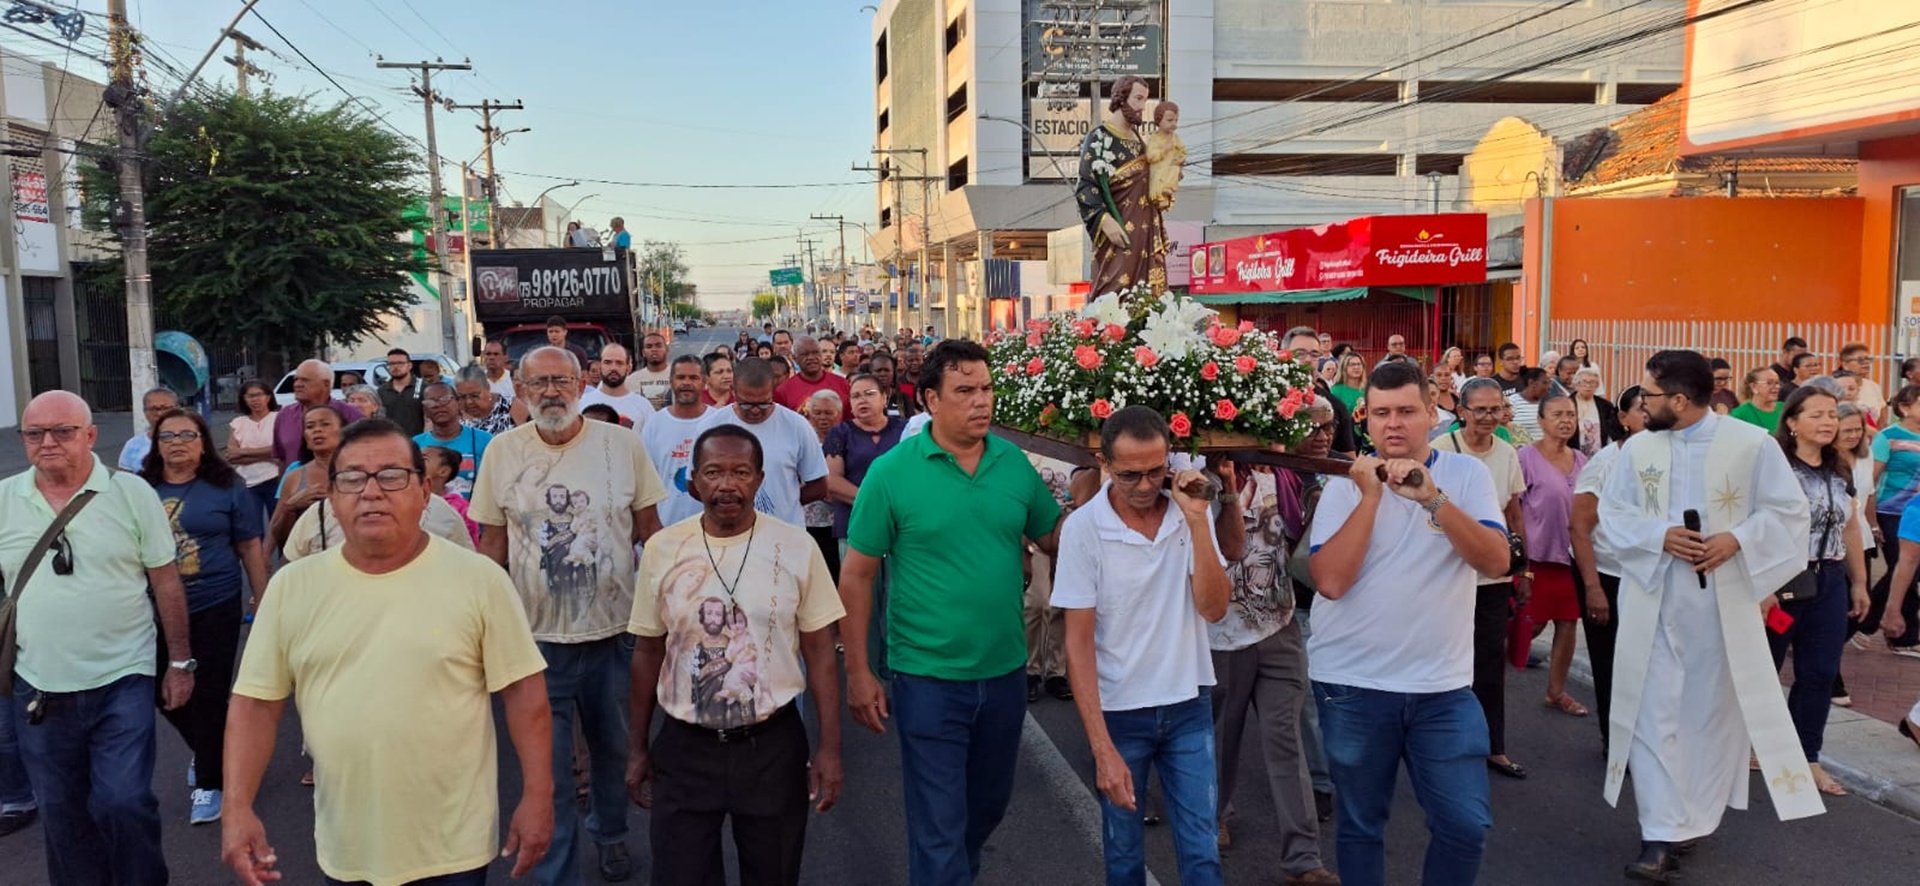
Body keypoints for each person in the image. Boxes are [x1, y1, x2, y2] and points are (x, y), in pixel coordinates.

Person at [222, 418, 554, 886]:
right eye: (353, 478)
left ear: (425, 492)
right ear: (332, 497)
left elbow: (523, 693)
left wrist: (538, 795)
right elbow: (256, 704)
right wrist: (236, 808)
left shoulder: (479, 580)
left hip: (453, 845)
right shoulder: (292, 587)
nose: (371, 492)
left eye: (392, 476)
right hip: (346, 842)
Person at [840, 339, 1066, 884]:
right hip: (928, 679)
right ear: (930, 400)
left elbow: (1055, 536)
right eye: (965, 390)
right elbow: (858, 574)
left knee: (985, 809)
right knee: (938, 825)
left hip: (1005, 672)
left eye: (986, 389)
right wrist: (859, 671)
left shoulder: (1012, 464)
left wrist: (1109, 493)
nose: (981, 401)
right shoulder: (891, 474)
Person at [1594, 349, 1824, 882]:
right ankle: (1659, 832)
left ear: (1679, 399)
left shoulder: (1751, 445)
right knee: (1653, 716)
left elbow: (1790, 512)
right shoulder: (1637, 450)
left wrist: (1736, 540)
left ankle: (1691, 819)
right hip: (1653, 599)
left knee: (1707, 716)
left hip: (1720, 607)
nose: (1642, 403)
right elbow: (1613, 514)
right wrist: (1658, 536)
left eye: (1650, 394)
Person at [1307, 362, 1510, 886]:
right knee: (1359, 824)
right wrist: (1372, 496)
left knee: (1465, 825)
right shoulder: (1344, 487)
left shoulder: (1467, 475)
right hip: (1353, 685)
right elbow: (1329, 581)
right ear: (1366, 419)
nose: (1393, 424)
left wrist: (1431, 499)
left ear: (1432, 414)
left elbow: (1495, 562)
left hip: (1441, 688)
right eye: (1381, 413)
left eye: (1406, 412)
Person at [471, 346, 668, 885]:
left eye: (561, 380)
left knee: (614, 751)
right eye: (539, 383)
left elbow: (651, 535)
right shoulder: (501, 453)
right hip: (534, 642)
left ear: (582, 383)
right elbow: (491, 548)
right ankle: (556, 871)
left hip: (616, 635)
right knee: (549, 770)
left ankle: (609, 834)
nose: (551, 392)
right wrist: (482, 630)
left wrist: (664, 619)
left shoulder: (621, 445)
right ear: (520, 389)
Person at [625, 425, 847, 885]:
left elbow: (821, 651)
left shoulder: (797, 547)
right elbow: (648, 650)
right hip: (685, 748)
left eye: (741, 472)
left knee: (774, 873)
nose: (728, 484)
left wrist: (829, 747)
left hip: (771, 747)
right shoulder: (664, 549)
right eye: (714, 472)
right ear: (693, 481)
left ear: (760, 480)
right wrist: (637, 747)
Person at [2, 391, 194, 886]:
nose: (47, 442)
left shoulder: (131, 493)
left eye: (63, 431)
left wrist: (179, 662)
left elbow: (166, 581)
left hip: (122, 677)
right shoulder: (3, 500)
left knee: (123, 802)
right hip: (37, 686)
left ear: (90, 436)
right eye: (34, 433)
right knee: (63, 815)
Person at [1053, 406, 1228, 886]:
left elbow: (1214, 609)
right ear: (1103, 463)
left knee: (1203, 853)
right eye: (1131, 474)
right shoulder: (1084, 530)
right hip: (1120, 712)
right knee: (1124, 857)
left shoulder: (1188, 512)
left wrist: (1196, 521)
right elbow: (1078, 644)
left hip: (1188, 704)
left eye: (1157, 470)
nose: (1147, 485)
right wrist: (1100, 748)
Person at [138, 407, 270, 825]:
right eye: (167, 436)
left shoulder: (226, 485)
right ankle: (215, 750)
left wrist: (262, 599)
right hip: (153, 609)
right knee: (164, 694)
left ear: (203, 442)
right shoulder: (140, 489)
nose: (177, 442)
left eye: (187, 435)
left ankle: (211, 783)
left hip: (215, 602)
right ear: (155, 444)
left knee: (210, 694)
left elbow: (249, 546)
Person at [1767, 386, 1870, 797]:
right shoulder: (1774, 467)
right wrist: (1762, 588)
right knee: (1764, 668)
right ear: (1792, 422)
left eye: (1832, 414)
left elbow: (1849, 526)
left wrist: (1859, 582)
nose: (1828, 422)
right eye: (1817, 415)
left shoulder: (1838, 468)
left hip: (1828, 581)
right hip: (1782, 582)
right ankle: (1744, 745)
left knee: (1820, 673)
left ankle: (1806, 757)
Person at [1431, 377, 1529, 780]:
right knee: (1443, 662)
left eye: (1496, 409)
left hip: (1492, 578)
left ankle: (1493, 746)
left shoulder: (1507, 453)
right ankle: (1440, 746)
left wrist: (1523, 568)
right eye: (1480, 410)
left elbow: (1514, 513)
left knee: (1489, 664)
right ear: (1462, 411)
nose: (1490, 417)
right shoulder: (1439, 452)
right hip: (1445, 576)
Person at [1570, 386, 1644, 751]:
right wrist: (1593, 587)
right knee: (1611, 664)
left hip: (1649, 578)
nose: (1651, 416)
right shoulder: (1606, 463)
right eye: (1641, 410)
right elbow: (1580, 528)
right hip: (1608, 575)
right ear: (1624, 418)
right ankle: (1616, 742)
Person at [824, 373, 909, 677]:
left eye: (868, 393)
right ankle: (866, 670)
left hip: (902, 531)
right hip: (856, 529)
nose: (861, 400)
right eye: (855, 395)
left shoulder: (904, 431)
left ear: (885, 397)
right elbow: (833, 482)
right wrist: (875, 503)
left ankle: (900, 667)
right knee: (862, 605)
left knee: (898, 598)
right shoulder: (841, 433)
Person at [1516, 395, 1590, 719]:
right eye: (1557, 414)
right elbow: (1512, 509)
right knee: (1528, 623)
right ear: (1542, 421)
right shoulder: (1525, 458)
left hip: (1570, 557)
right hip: (1535, 559)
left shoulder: (1582, 460)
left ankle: (1556, 691)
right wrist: (1519, 560)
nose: (1565, 420)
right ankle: (1491, 675)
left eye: (1570, 414)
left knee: (1567, 621)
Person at [699, 357, 829, 528]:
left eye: (763, 403)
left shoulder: (796, 425)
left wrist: (785, 503)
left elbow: (819, 484)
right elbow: (695, 483)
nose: (755, 410)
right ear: (734, 391)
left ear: (772, 390)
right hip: (728, 534)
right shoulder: (711, 426)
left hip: (784, 534)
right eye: (746, 404)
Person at [1076, 74, 1168, 294]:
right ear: (1121, 97)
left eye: (1145, 100)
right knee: (1115, 287)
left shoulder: (1139, 141)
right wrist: (1104, 220)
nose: (1142, 107)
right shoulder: (1099, 137)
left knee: (1144, 292)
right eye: (1138, 98)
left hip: (1145, 229)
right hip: (1119, 229)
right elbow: (1086, 186)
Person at [1869, 384, 1920, 655]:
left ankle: (1867, 621)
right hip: (1891, 512)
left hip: (1916, 512)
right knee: (1903, 570)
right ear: (1904, 407)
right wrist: (1871, 520)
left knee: (1907, 571)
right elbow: (1872, 479)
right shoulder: (1888, 436)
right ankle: (1902, 634)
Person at [641, 355, 714, 528]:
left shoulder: (717, 421)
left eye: (694, 378)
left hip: (710, 528)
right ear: (671, 381)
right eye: (681, 377)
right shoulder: (655, 424)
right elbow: (643, 482)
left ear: (704, 382)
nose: (686, 383)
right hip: (666, 526)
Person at [1834, 402, 1876, 701]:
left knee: (1859, 611)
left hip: (1861, 537)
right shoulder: (1824, 459)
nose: (1853, 435)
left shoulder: (1864, 455)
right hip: (1832, 545)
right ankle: (1832, 676)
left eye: (1857, 430)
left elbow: (1868, 493)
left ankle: (1821, 648)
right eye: (1846, 430)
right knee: (1837, 613)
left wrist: (1874, 526)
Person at [269, 404, 346, 555]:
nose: (317, 430)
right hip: (307, 564)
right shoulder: (294, 476)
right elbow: (280, 538)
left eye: (325, 424)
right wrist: (290, 508)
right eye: (310, 426)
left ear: (343, 431)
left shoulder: (361, 471)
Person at [273, 359, 363, 466]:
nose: (297, 384)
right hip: (297, 480)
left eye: (305, 380)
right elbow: (281, 459)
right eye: (296, 379)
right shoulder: (284, 415)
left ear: (326, 384)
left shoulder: (351, 415)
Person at [414, 380, 493, 497]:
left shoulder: (485, 440)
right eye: (430, 402)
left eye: (445, 399)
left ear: (458, 403)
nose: (438, 405)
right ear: (425, 410)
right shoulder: (415, 445)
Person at [803, 390, 846, 580]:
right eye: (817, 413)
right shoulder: (803, 437)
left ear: (838, 414)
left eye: (828, 413)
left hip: (836, 519)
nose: (822, 418)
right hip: (806, 519)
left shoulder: (845, 437)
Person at [228, 379, 282, 518]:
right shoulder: (238, 423)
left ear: (268, 397)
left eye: (259, 395)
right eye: (250, 396)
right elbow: (232, 456)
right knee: (252, 525)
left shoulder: (279, 419)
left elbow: (279, 448)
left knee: (277, 523)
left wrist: (244, 452)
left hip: (275, 478)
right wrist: (269, 456)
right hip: (248, 481)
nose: (255, 400)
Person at [579, 342, 656, 429]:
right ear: (600, 366)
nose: (613, 368)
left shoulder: (643, 406)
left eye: (619, 363)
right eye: (607, 362)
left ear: (628, 368)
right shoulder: (582, 403)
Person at [774, 335, 853, 413]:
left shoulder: (842, 384)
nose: (811, 357)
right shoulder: (783, 391)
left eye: (815, 353)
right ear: (795, 358)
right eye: (805, 354)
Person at [424, 445, 482, 546]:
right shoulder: (409, 499)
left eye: (424, 459)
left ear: (443, 471)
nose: (415, 463)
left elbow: (470, 542)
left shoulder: (460, 508)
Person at [117, 387, 179, 471]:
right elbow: (124, 480)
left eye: (165, 408)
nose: (159, 413)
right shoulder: (133, 445)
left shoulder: (191, 440)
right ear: (145, 412)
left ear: (177, 409)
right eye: (153, 409)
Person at [1144, 100, 1186, 210]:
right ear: (1159, 120)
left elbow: (1182, 150)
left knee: (1174, 168)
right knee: (1166, 170)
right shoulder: (1154, 138)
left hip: (1172, 170)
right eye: (1169, 120)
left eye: (1176, 120)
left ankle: (1167, 192)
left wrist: (1181, 158)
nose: (1174, 124)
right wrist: (1164, 150)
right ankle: (1161, 194)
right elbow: (1150, 156)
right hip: (1159, 172)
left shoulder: (1175, 138)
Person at [1570, 366, 1621, 457]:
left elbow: (1614, 430)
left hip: (1599, 456)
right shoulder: (1567, 403)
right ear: (1576, 384)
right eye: (1584, 382)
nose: (1588, 386)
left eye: (1592, 383)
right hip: (1573, 454)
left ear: (1597, 386)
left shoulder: (1605, 406)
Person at [457, 363, 519, 434]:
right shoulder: (455, 415)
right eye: (462, 397)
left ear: (487, 388)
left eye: (475, 395)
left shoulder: (509, 406)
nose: (469, 402)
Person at [378, 347, 427, 436]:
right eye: (391, 364)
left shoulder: (424, 388)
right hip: (392, 442)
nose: (395, 367)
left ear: (409, 366)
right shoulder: (381, 391)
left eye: (400, 363)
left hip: (418, 442)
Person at [1731, 366, 1785, 431]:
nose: (1777, 387)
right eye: (1769, 383)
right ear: (1754, 387)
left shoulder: (1785, 409)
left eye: (1777, 383)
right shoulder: (1740, 414)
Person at [1505, 367, 1551, 443]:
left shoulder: (1548, 403)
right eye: (1545, 383)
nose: (1548, 387)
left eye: (1549, 383)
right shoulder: (1512, 402)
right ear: (1531, 383)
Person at [630, 333, 673, 410]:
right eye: (649, 346)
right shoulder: (631, 380)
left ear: (667, 350)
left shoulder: (679, 375)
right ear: (643, 353)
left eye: (658, 346)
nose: (654, 350)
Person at [869, 351, 918, 417]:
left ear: (893, 372)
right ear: (871, 373)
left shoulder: (903, 399)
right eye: (878, 370)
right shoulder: (865, 399)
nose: (883, 374)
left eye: (887, 370)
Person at [1770, 336, 1808, 402]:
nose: (1800, 359)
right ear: (1785, 352)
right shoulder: (1772, 373)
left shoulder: (1799, 372)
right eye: (1796, 356)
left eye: (1803, 356)